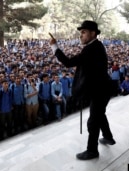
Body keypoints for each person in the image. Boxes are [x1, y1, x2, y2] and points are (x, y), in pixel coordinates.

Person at [49, 20, 115, 160]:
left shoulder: (92, 49)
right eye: (81, 33)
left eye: (84, 32)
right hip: (100, 89)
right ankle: (108, 137)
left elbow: (68, 63)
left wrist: (54, 46)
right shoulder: (95, 46)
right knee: (99, 115)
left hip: (100, 91)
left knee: (93, 121)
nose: (81, 35)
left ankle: (92, 151)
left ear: (93, 33)